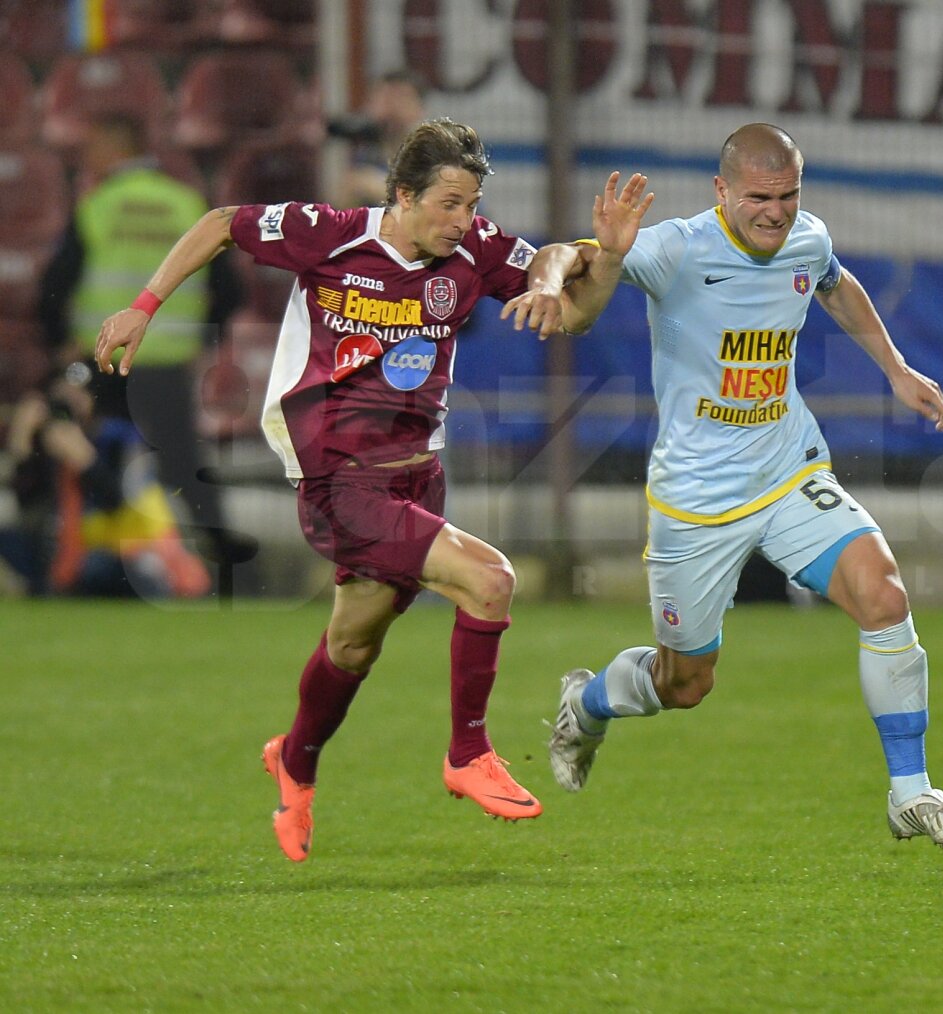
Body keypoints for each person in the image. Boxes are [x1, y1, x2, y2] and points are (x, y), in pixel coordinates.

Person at [94, 118, 654, 862]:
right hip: (338, 481)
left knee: (353, 644)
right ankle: (468, 753)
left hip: (417, 474)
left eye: (471, 204)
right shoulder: (330, 235)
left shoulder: (474, 249)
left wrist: (603, 259)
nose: (462, 220)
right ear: (403, 196)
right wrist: (143, 305)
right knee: (490, 581)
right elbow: (221, 223)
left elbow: (571, 301)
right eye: (449, 203)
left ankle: (295, 759)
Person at [542, 123, 943, 847]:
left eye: (788, 196)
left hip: (787, 470)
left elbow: (836, 284)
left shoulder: (807, 238)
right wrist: (575, 266)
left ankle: (912, 793)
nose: (776, 213)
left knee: (883, 595)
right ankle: (587, 704)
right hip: (695, 498)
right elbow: (570, 266)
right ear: (722, 191)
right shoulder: (677, 248)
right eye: (758, 198)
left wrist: (896, 368)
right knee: (685, 684)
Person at [36, 114, 250, 569]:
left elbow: (55, 284)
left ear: (117, 148)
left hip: (104, 359)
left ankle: (72, 559)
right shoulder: (187, 203)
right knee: (181, 465)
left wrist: (61, 344)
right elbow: (230, 290)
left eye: (93, 147)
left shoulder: (99, 205)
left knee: (78, 446)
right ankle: (228, 564)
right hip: (167, 363)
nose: (86, 158)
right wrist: (199, 340)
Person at [0, 363, 210, 599]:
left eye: (76, 397)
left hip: (129, 546)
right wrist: (21, 443)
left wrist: (86, 462)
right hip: (74, 547)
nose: (69, 408)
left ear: (92, 399)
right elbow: (26, 505)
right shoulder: (48, 440)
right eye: (61, 400)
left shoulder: (117, 437)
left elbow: (121, 501)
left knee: (108, 570)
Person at [330, 69, 428, 209]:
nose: (392, 107)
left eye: (401, 98)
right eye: (384, 98)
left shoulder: (430, 156)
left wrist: (374, 186)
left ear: (419, 108)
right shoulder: (367, 153)